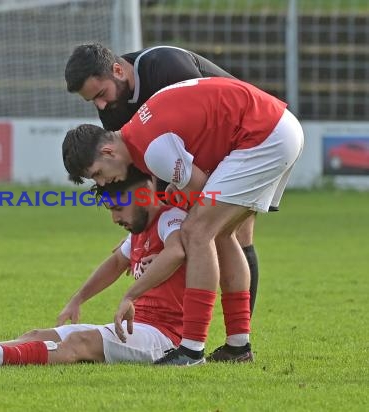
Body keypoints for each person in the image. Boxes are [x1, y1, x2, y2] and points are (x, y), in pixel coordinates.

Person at [61, 76, 304, 365]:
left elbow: (199, 192)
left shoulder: (152, 150)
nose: (104, 181)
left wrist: (165, 247)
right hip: (275, 126)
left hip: (263, 135)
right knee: (222, 232)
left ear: (108, 151)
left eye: (98, 173)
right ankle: (238, 347)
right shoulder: (140, 132)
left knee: (198, 231)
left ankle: (191, 350)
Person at [0, 169, 198, 366]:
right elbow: (116, 262)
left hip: (165, 339)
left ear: (142, 193)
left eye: (117, 208)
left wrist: (130, 295)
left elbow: (176, 253)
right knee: (38, 334)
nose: (115, 218)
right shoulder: (140, 228)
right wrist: (77, 299)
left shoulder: (169, 218)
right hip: (139, 328)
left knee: (77, 344)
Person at [65, 42, 262, 319]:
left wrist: (178, 220)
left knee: (230, 233)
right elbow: (133, 168)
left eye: (100, 94)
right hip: (187, 163)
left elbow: (202, 128)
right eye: (92, 101)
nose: (100, 105)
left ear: (118, 70)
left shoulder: (166, 66)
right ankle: (218, 337)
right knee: (201, 233)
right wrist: (143, 231)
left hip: (238, 142)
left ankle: (239, 335)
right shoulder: (111, 109)